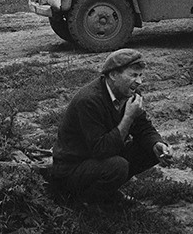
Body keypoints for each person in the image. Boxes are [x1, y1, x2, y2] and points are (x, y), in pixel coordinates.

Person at [50, 48, 172, 203]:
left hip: (98, 158)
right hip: (71, 168)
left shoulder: (129, 93)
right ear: (113, 75)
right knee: (117, 166)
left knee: (151, 149)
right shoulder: (89, 101)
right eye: (133, 75)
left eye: (140, 75)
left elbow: (144, 128)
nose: (139, 81)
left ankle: (106, 192)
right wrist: (128, 117)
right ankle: (85, 201)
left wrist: (157, 144)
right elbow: (101, 150)